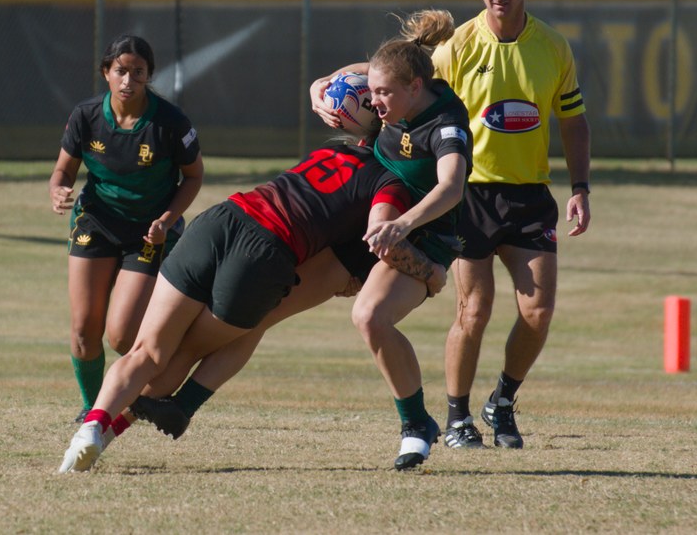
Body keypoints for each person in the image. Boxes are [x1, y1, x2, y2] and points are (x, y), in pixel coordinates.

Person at [58, 140, 447, 473]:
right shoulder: (392, 182)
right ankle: (159, 415)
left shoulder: (333, 149)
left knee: (147, 349)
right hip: (265, 253)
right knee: (188, 349)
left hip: (222, 218)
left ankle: (90, 428)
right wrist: (431, 273)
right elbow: (382, 235)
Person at [431, 0, 591, 449]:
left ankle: (501, 401)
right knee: (473, 310)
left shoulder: (553, 47)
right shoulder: (456, 47)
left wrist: (581, 188)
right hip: (468, 195)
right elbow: (419, 107)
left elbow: (573, 120)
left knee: (537, 313)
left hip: (529, 196)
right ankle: (457, 417)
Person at [310, 31, 472, 470]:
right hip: (375, 201)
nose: (374, 99)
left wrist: (403, 225)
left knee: (369, 317)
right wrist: (317, 91)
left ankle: (416, 424)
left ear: (414, 88)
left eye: (383, 93)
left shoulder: (445, 124)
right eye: (373, 89)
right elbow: (344, 76)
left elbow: (451, 187)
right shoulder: (394, 81)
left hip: (422, 233)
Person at [49, 34, 204, 424]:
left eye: (138, 72)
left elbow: (194, 176)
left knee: (121, 336)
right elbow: (64, 170)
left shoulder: (170, 122)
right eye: (121, 70)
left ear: (149, 75)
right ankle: (91, 408)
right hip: (96, 221)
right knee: (84, 331)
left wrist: (167, 221)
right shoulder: (86, 116)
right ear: (106, 72)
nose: (128, 80)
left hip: (148, 231)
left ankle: (148, 387)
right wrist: (58, 189)